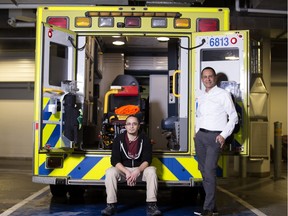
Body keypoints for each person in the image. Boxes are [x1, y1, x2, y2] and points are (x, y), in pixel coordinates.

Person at [194, 67, 238, 216]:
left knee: (210, 171)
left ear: (215, 78)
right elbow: (199, 116)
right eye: (205, 77)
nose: (208, 79)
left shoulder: (223, 94)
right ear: (202, 79)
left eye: (210, 76)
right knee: (203, 171)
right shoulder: (201, 96)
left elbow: (233, 117)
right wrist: (196, 133)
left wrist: (223, 135)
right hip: (200, 137)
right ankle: (212, 206)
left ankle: (207, 209)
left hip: (214, 138)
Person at [101, 115, 162, 216]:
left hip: (140, 171)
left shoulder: (145, 139)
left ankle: (152, 206)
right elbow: (114, 160)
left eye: (134, 124)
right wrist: (127, 172)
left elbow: (147, 160)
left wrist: (137, 171)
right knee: (110, 172)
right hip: (124, 171)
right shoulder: (118, 139)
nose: (131, 126)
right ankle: (111, 206)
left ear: (138, 126)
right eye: (128, 124)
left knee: (151, 171)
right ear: (125, 126)